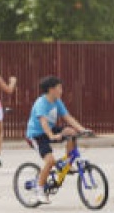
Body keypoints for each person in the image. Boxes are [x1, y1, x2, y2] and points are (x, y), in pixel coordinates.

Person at [26, 75, 91, 205]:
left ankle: (67, 163)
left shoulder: (57, 101)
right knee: (50, 161)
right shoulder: (41, 103)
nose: (62, 90)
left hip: (50, 129)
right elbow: (43, 122)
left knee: (71, 132)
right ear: (51, 89)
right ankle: (39, 191)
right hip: (36, 135)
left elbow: (67, 117)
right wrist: (51, 135)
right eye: (59, 88)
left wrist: (82, 129)